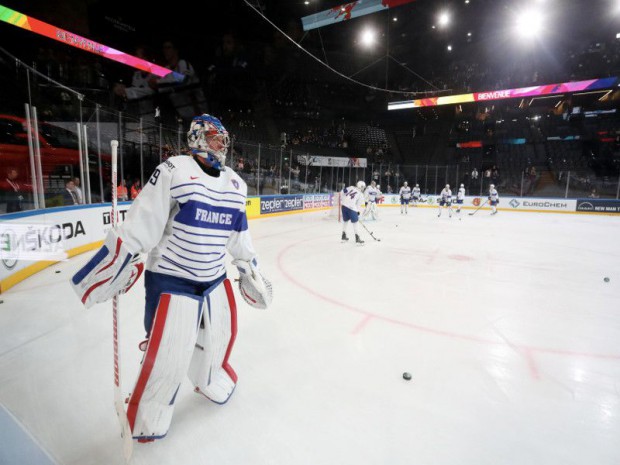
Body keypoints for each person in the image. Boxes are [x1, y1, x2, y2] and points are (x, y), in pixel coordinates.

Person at [71, 114, 272, 442]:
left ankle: (210, 378)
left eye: (223, 139)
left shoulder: (236, 184)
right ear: (196, 139)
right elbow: (143, 222)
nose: (221, 144)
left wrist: (248, 266)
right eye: (213, 137)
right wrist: (120, 263)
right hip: (171, 279)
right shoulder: (174, 171)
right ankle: (148, 416)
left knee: (219, 337)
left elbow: (239, 233)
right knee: (168, 352)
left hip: (213, 278)